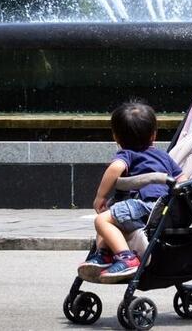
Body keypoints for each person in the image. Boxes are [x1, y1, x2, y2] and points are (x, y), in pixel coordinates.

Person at [78, 100, 183, 284]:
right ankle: (104, 254)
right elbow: (181, 179)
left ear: (116, 137)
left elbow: (114, 169)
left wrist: (100, 197)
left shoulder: (127, 154)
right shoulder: (163, 155)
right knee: (111, 216)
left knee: (101, 219)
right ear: (154, 135)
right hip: (161, 207)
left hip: (142, 204)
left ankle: (126, 257)